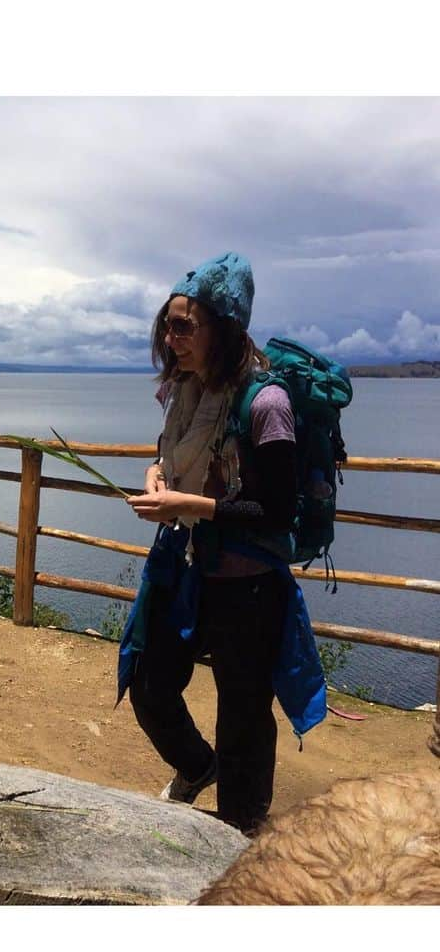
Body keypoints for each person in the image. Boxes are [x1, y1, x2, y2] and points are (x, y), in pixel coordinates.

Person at [117, 252, 325, 836]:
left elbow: (277, 510)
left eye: (184, 325)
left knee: (242, 714)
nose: (170, 337)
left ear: (224, 328)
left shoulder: (266, 404)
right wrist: (158, 475)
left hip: (248, 585)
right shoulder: (187, 393)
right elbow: (174, 452)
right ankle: (195, 766)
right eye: (167, 323)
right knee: (151, 683)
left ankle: (241, 835)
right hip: (187, 568)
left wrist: (189, 507)